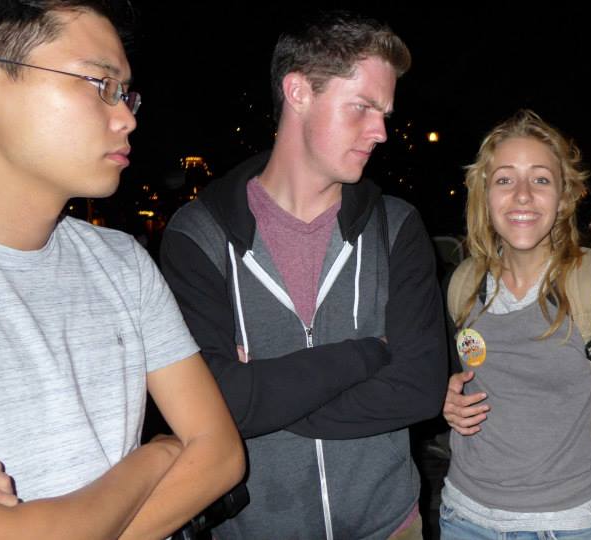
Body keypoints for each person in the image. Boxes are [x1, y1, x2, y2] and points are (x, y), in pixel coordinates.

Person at [159, 10, 448, 540]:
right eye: (362, 107)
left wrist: (255, 396)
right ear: (298, 92)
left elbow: (420, 391)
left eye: (384, 113)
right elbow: (202, 408)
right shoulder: (198, 235)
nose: (381, 132)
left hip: (389, 525)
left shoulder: (397, 227)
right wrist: (369, 354)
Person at [0, 1, 244, 539]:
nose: (128, 117)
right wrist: (158, 456)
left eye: (126, 93)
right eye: (99, 84)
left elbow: (221, 454)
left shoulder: (121, 262)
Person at [442, 110, 591, 540]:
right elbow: (453, 382)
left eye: (540, 179)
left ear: (563, 198)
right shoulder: (461, 283)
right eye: (505, 179)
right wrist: (446, 401)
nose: (522, 195)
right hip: (463, 515)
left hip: (566, 523)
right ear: (485, 195)